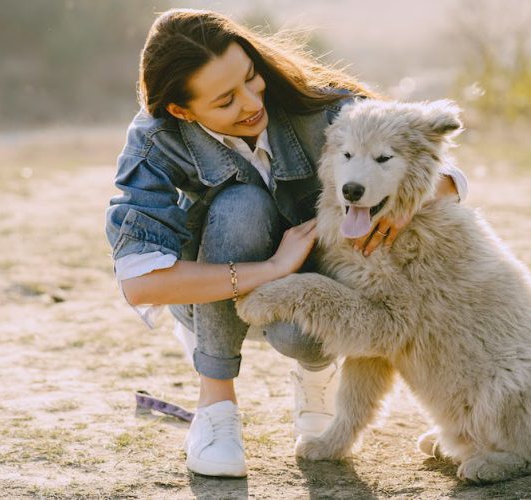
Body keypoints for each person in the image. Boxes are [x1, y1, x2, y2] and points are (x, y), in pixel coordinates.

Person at [105, 8, 469, 478]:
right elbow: (141, 283)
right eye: (225, 100)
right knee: (240, 204)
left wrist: (407, 201)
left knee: (299, 334)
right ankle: (215, 409)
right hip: (213, 294)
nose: (252, 101)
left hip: (316, 285)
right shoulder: (155, 143)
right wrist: (273, 269)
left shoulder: (320, 106)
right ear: (181, 110)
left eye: (252, 78)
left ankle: (316, 376)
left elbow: (431, 162)